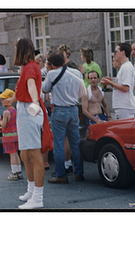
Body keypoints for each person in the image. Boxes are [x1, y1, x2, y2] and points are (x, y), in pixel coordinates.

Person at [3, 37, 47, 209]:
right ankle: (31, 191)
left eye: (16, 48)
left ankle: (37, 197)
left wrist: (35, 101)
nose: (14, 51)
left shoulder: (29, 68)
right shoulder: (29, 67)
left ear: (21, 49)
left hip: (29, 111)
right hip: (26, 108)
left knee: (34, 156)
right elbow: (23, 88)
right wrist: (12, 100)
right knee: (25, 155)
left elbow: (31, 87)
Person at [42, 51, 84, 184]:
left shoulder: (52, 73)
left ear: (52, 64)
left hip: (60, 109)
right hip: (73, 108)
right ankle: (79, 172)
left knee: (58, 143)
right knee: (75, 143)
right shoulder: (76, 72)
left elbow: (45, 89)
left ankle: (61, 174)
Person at [101, 43, 135, 119]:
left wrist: (110, 83)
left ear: (123, 52)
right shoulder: (124, 66)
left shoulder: (126, 67)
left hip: (125, 106)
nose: (114, 54)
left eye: (116, 51)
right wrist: (112, 83)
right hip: (123, 105)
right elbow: (121, 86)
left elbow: (125, 88)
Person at [0, 89, 23, 181]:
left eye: (3, 99)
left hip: (8, 137)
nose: (1, 101)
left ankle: (13, 173)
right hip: (16, 135)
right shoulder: (15, 110)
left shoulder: (6, 112)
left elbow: (4, 124)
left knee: (12, 155)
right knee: (16, 154)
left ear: (8, 100)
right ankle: (19, 172)